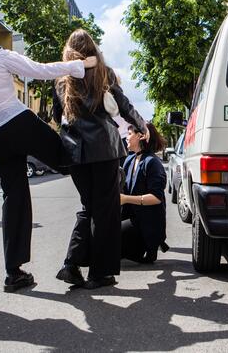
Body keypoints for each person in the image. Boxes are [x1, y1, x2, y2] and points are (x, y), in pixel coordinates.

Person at [0, 20, 96, 293]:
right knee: (68, 157)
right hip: (18, 122)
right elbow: (41, 71)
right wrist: (81, 66)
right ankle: (97, 200)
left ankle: (14, 272)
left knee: (15, 197)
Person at [53, 29, 148, 290]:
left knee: (88, 207)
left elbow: (55, 113)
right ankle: (100, 273)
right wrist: (142, 126)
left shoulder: (62, 80)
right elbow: (124, 104)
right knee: (105, 212)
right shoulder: (103, 73)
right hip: (104, 150)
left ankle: (71, 265)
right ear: (93, 48)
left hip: (76, 153)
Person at [120, 123, 169, 264]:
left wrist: (125, 199)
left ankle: (150, 246)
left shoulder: (153, 162)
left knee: (109, 240)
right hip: (132, 218)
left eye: (129, 134)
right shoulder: (130, 159)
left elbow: (156, 198)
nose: (126, 138)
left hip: (147, 224)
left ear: (140, 136)